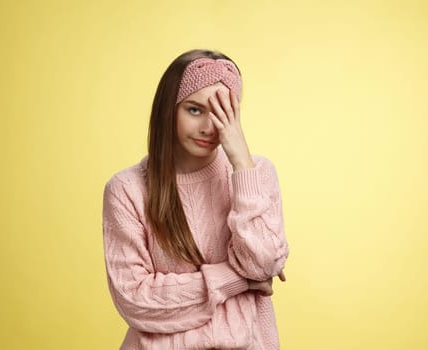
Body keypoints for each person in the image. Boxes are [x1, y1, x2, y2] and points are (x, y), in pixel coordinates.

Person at [101, 49, 289, 349]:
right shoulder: (128, 189)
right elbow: (135, 298)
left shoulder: (256, 174)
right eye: (194, 110)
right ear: (169, 110)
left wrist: (241, 161)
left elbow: (262, 264)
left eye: (222, 112)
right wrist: (238, 281)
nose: (209, 127)